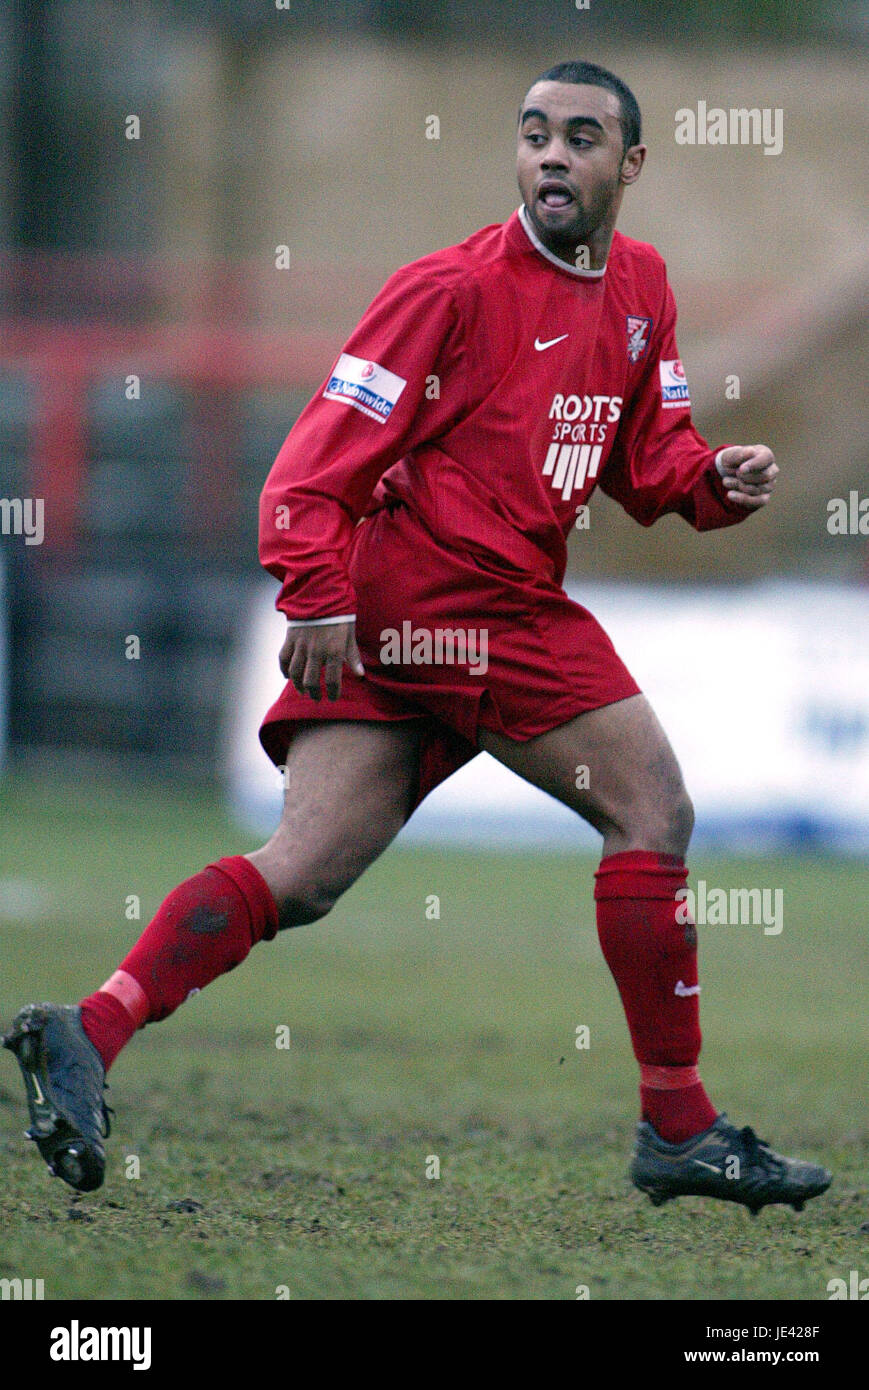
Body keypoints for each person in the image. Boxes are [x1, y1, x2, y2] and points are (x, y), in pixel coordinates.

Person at [4, 61, 830, 1214]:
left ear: (627, 167)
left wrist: (710, 479)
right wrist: (314, 595)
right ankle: (678, 1127)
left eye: (580, 138)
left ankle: (90, 1025)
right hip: (453, 601)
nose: (550, 154)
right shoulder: (446, 287)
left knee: (302, 872)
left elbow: (648, 460)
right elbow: (310, 460)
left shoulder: (640, 288)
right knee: (651, 810)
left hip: (431, 614)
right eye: (533, 133)